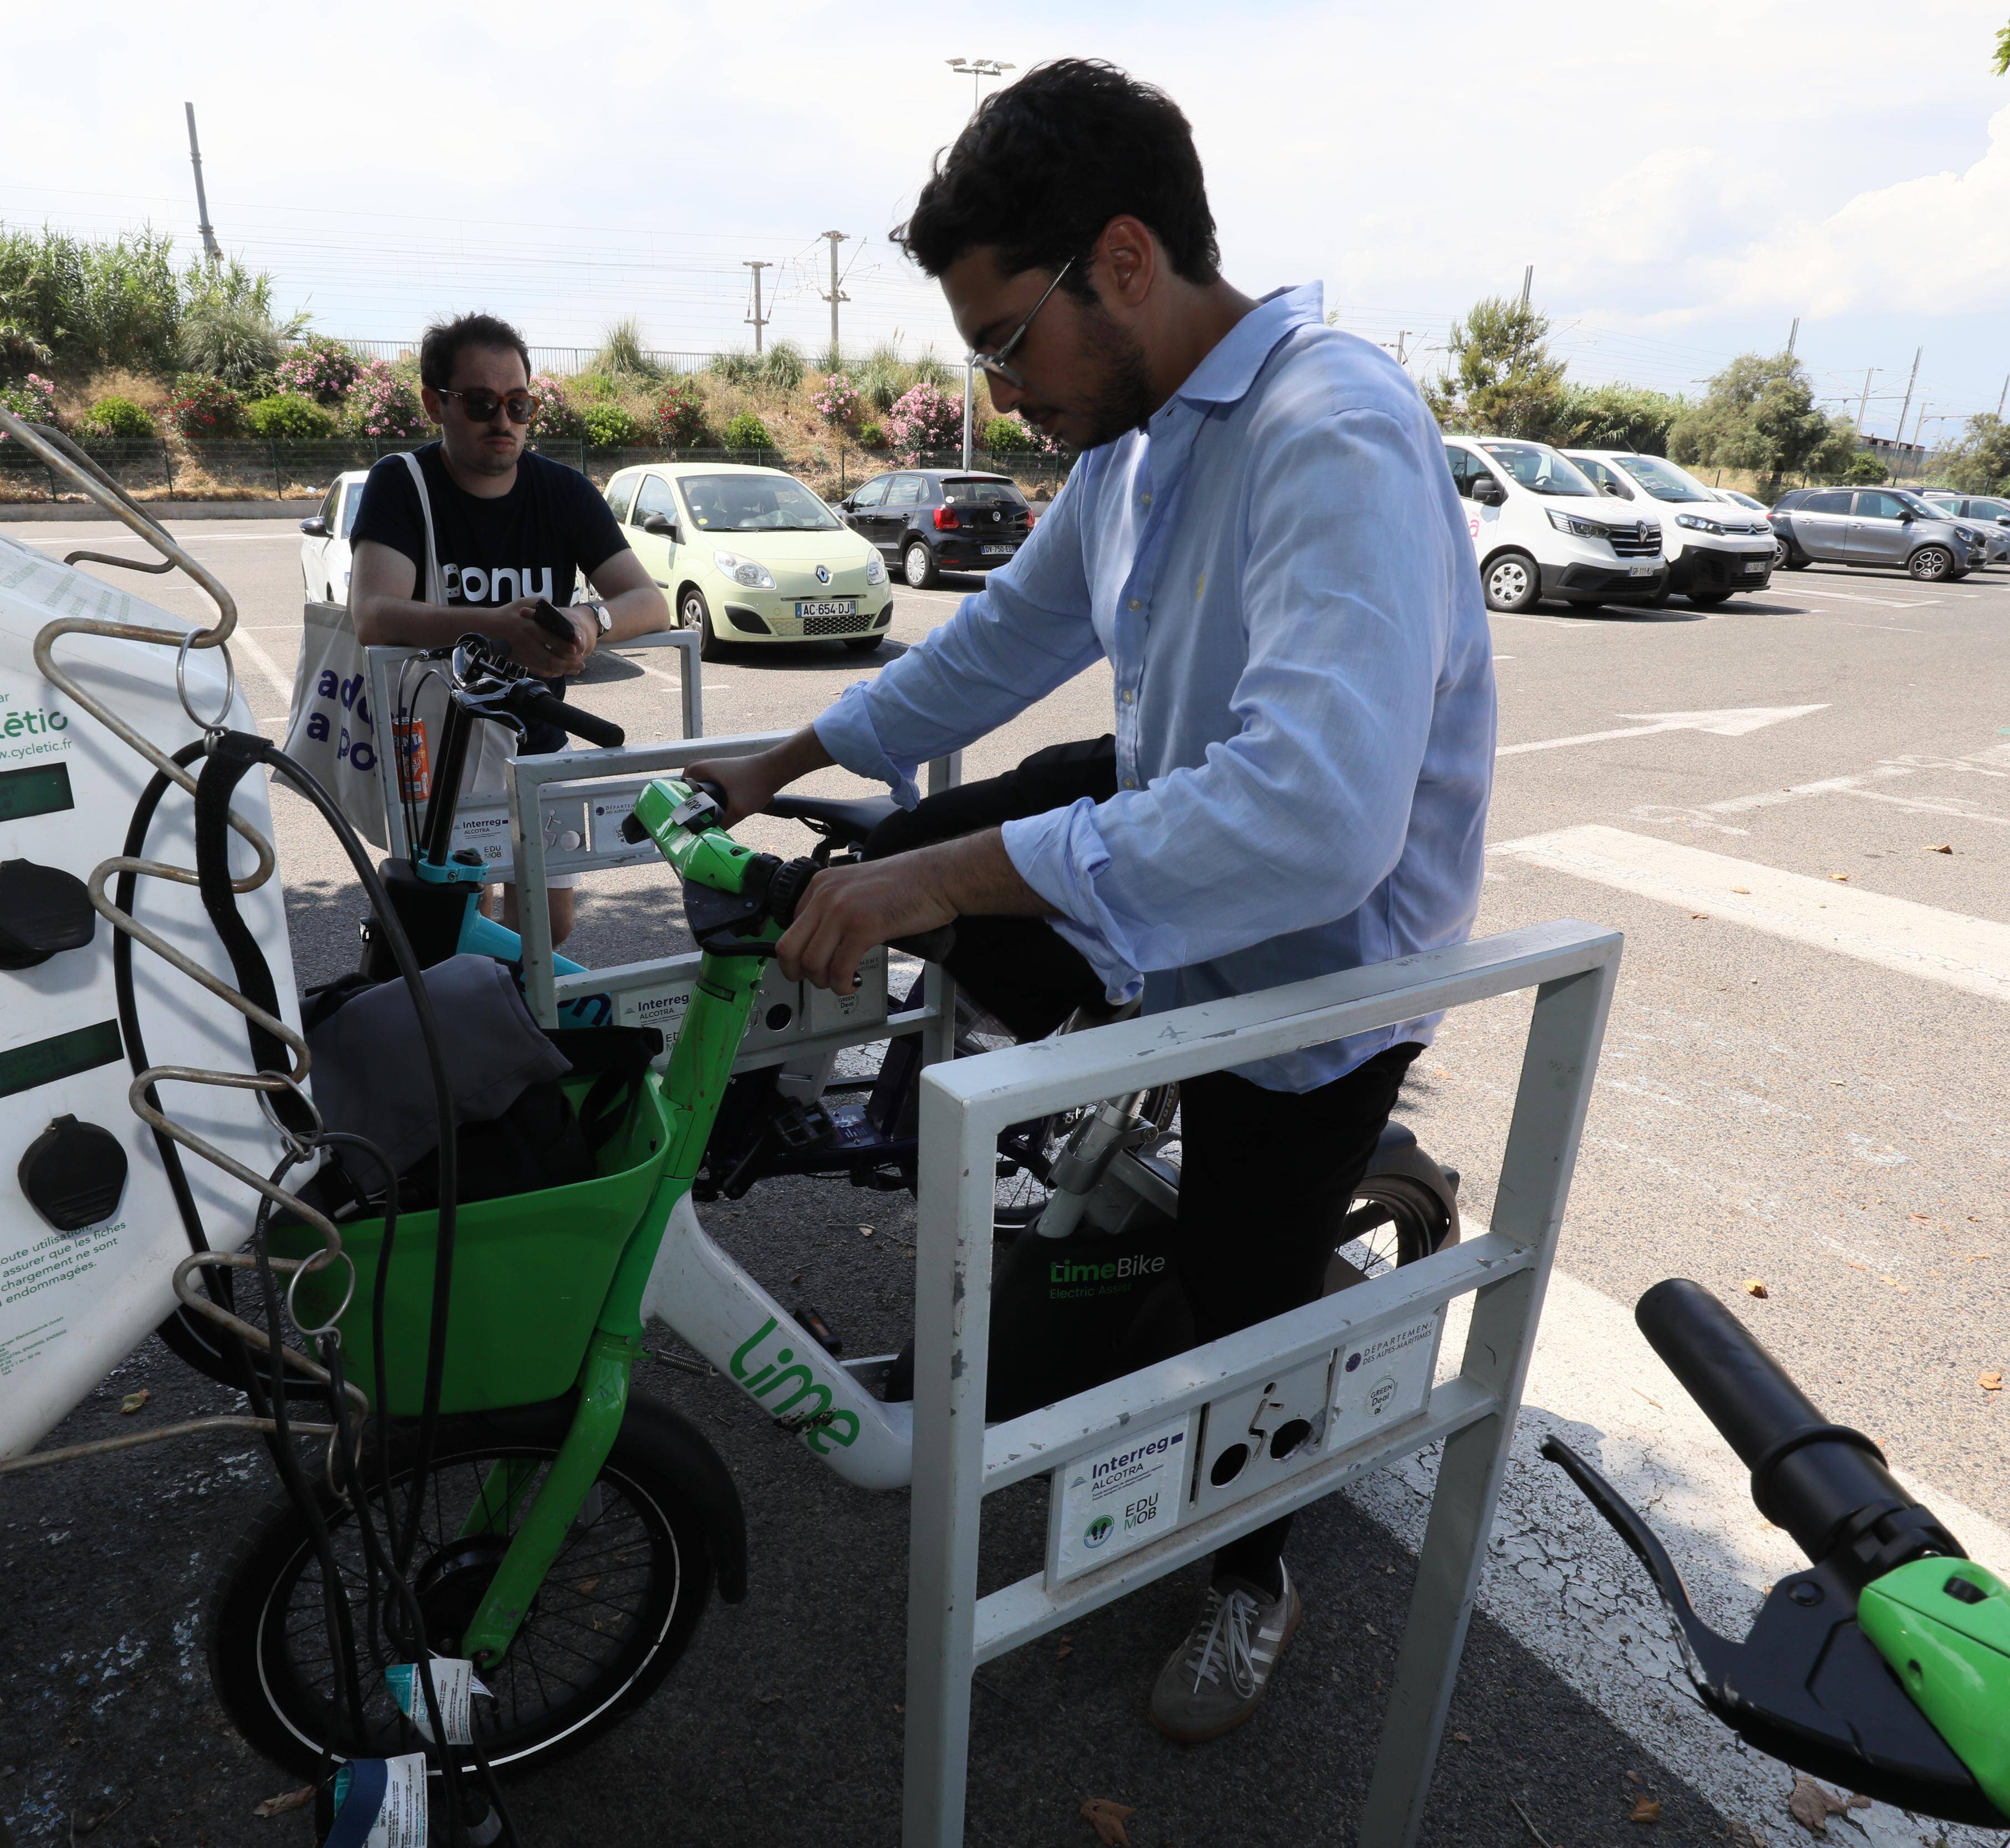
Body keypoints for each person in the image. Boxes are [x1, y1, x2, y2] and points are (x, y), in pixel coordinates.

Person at [686, 60, 1495, 1745]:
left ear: (1120, 260)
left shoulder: (1329, 426)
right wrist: (793, 755)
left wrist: (949, 872)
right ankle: (1083, 1125)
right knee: (894, 862)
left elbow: (1314, 821)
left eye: (1001, 342)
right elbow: (1001, 644)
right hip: (1171, 845)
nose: (995, 387)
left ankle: (1246, 1574)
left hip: (1316, 960)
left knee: (1237, 1278)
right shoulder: (1132, 446)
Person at [348, 313, 669, 945]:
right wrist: (493, 628)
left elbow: (647, 602)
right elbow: (373, 613)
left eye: (519, 404)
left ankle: (510, 1026)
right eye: (480, 404)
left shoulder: (564, 493)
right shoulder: (402, 484)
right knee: (453, 918)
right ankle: (465, 1026)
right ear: (433, 404)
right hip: (440, 742)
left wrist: (588, 619)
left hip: (535, 741)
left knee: (546, 927)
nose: (503, 422)